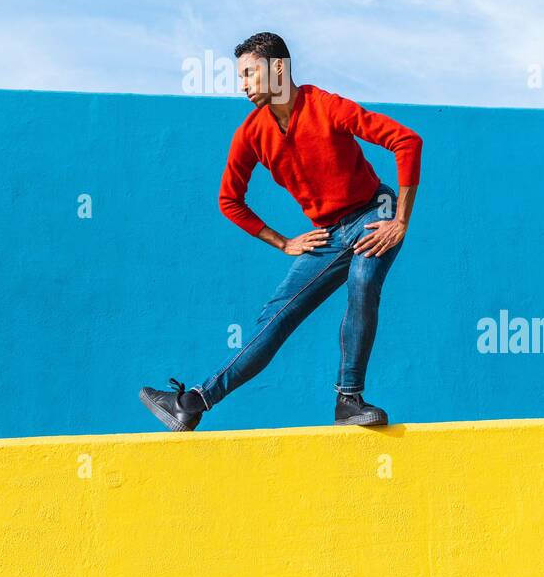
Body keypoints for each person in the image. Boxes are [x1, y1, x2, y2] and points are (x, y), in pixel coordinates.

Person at [139, 31, 422, 431]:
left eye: (251, 74)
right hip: (327, 233)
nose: (244, 85)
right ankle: (192, 402)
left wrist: (400, 222)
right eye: (240, 78)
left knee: (363, 279)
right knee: (275, 319)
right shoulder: (251, 133)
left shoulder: (325, 106)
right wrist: (283, 242)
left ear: (278, 69)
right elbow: (229, 200)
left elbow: (406, 141)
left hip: (373, 210)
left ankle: (349, 400)